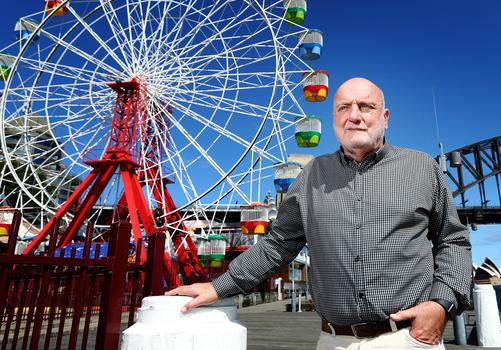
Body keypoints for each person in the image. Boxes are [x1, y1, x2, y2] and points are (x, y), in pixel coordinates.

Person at [166, 77, 473, 349]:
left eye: (365, 106)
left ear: (385, 117)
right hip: (333, 340)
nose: (354, 116)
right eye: (343, 108)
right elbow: (278, 244)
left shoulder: (421, 168)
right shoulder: (312, 173)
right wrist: (219, 286)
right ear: (334, 118)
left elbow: (453, 240)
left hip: (406, 338)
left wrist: (441, 303)